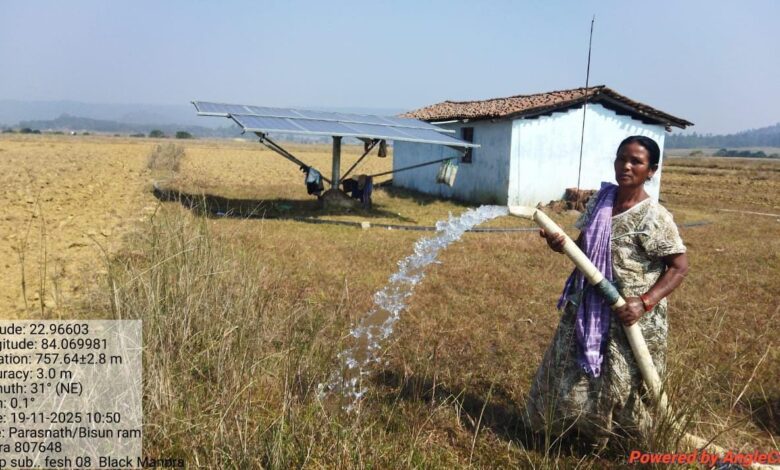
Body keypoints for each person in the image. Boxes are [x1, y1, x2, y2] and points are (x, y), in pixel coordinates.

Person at [524, 135, 689, 449]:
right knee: (568, 369)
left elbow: (679, 267)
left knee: (623, 381)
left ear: (651, 170)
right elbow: (584, 248)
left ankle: (622, 444)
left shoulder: (655, 217)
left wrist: (644, 302)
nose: (626, 166)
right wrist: (559, 245)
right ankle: (564, 433)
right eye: (621, 158)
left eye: (636, 161)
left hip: (630, 316)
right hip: (590, 304)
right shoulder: (601, 202)